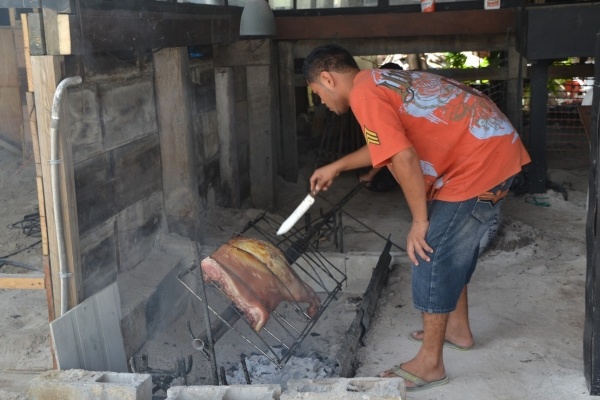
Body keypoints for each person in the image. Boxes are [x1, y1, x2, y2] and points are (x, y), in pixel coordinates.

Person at [302, 44, 531, 391]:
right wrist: (338, 166)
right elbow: (387, 143)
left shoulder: (365, 96)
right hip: (493, 149)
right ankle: (457, 330)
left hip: (479, 163)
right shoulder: (378, 81)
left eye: (317, 94)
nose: (322, 102)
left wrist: (420, 221)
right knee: (451, 248)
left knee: (429, 252)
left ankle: (430, 364)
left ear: (327, 78)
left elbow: (404, 157)